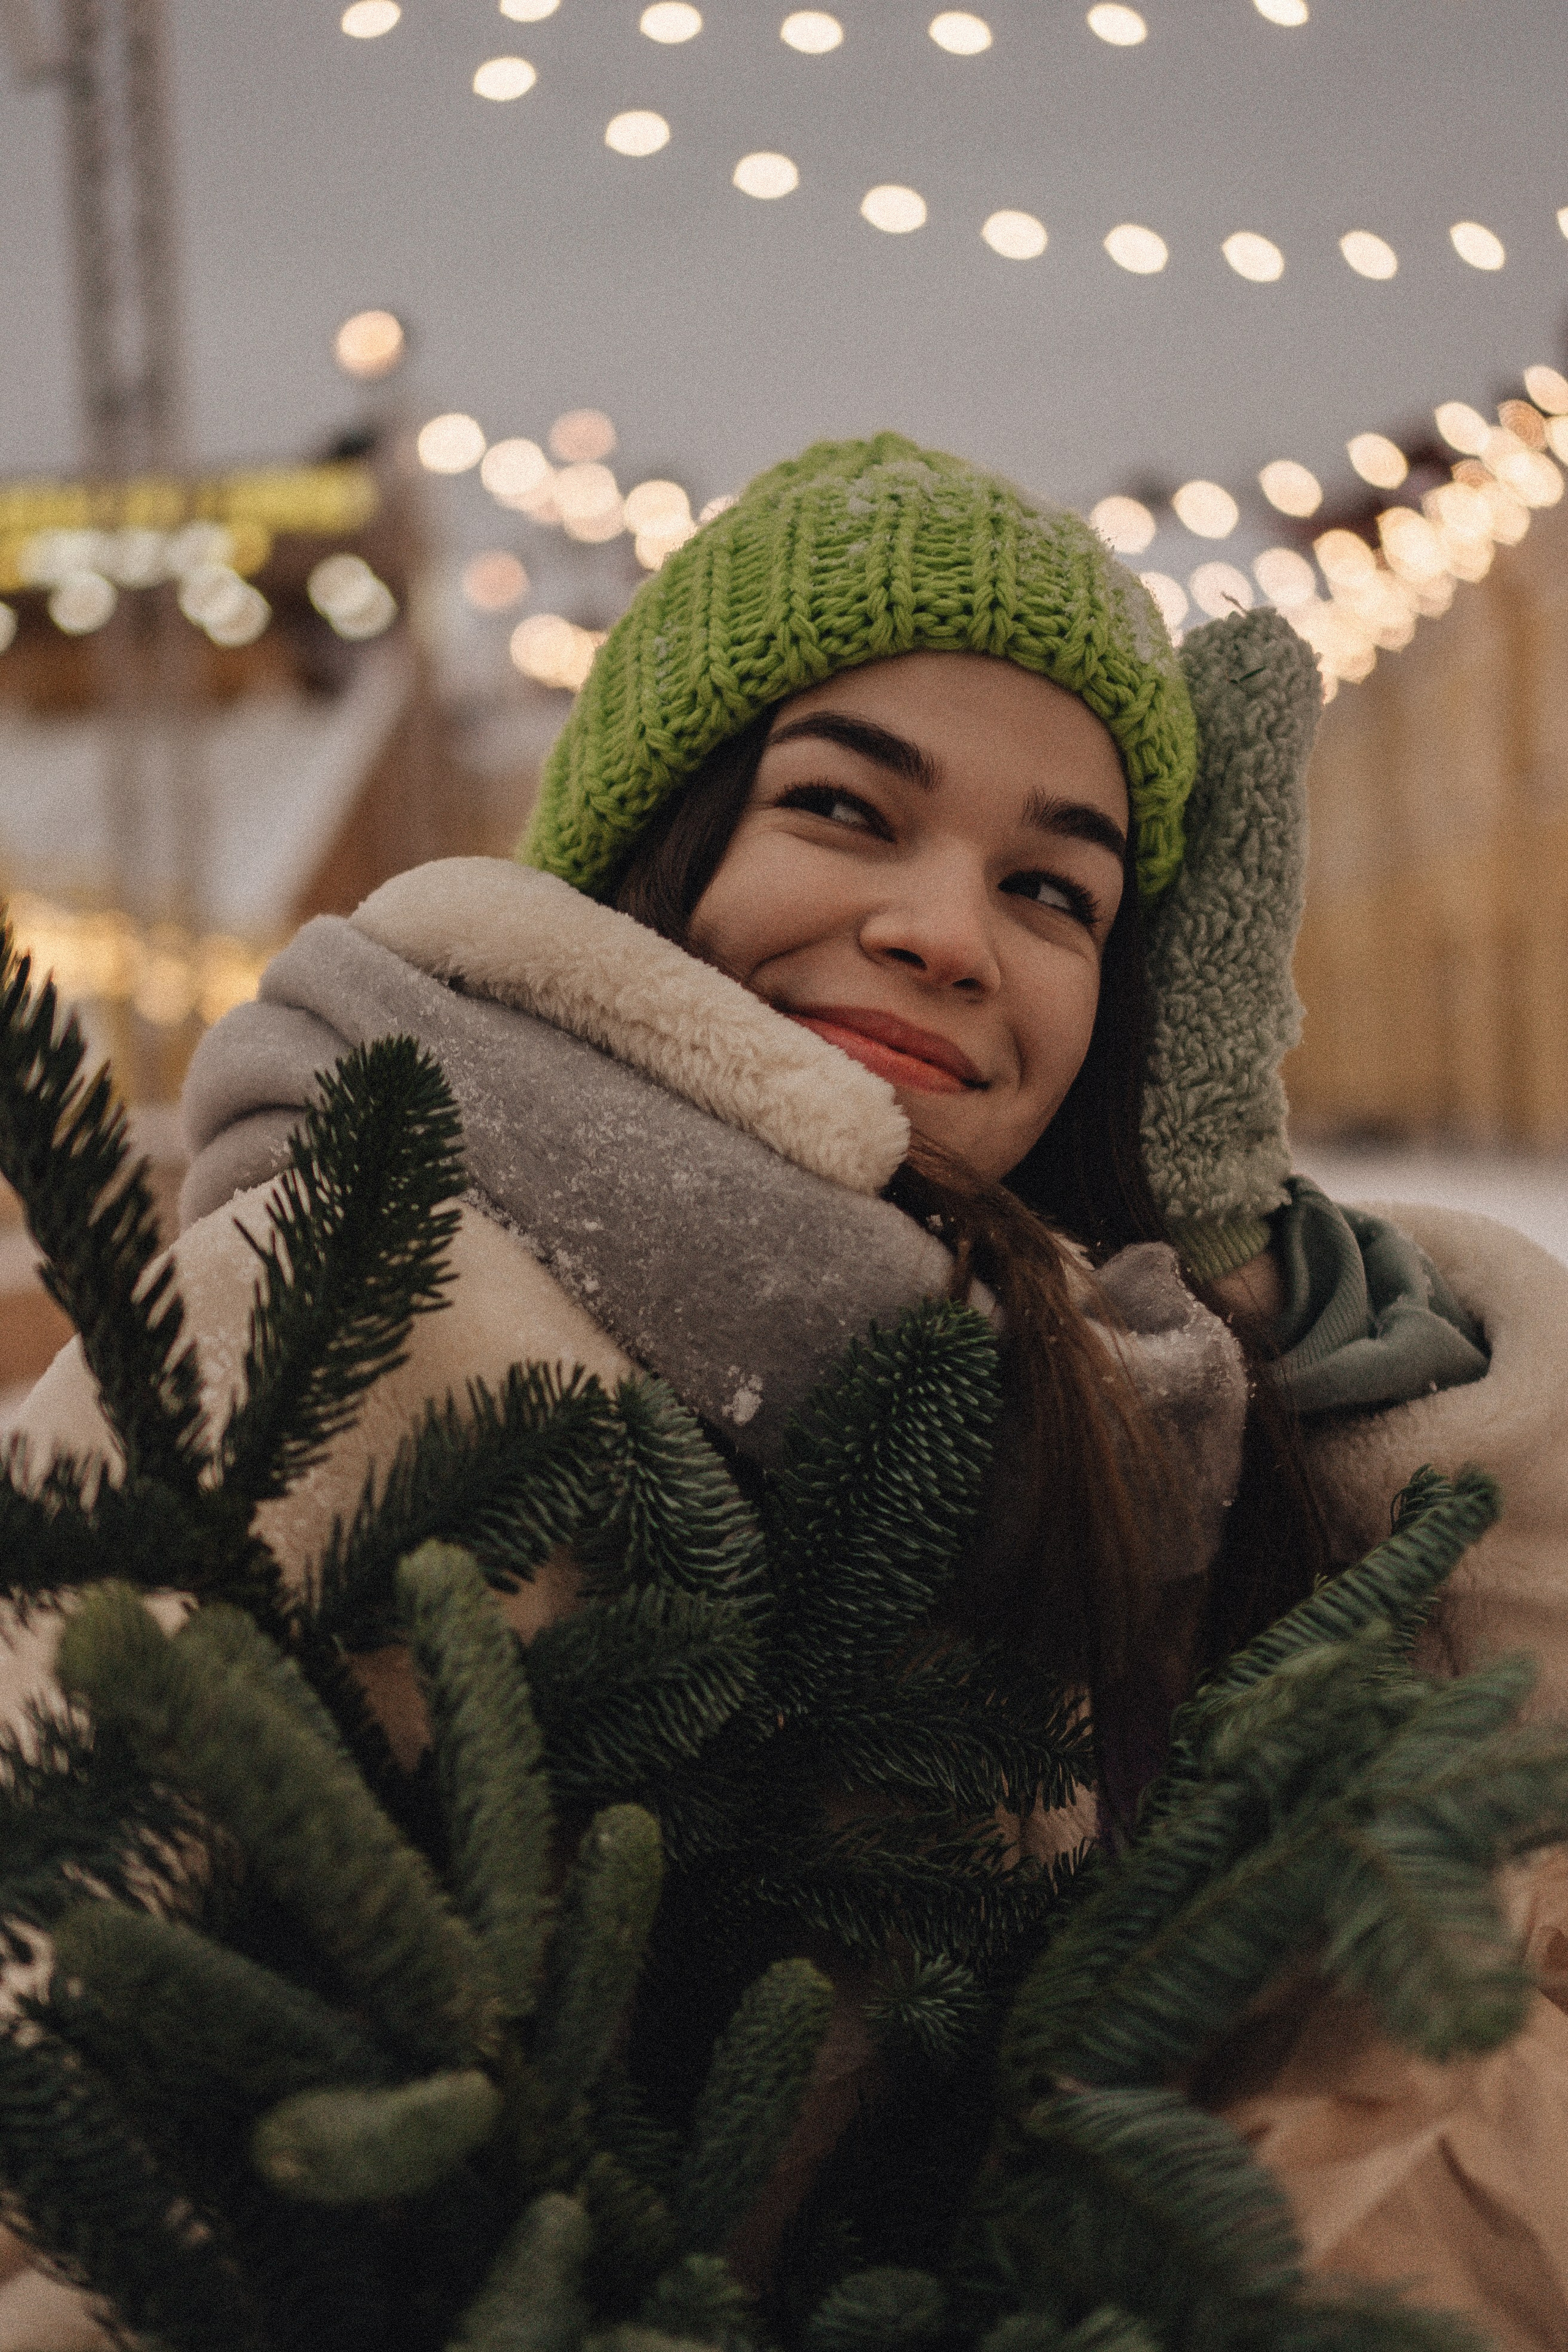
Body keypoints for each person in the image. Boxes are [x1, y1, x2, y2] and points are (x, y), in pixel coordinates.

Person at [6, 434, 1568, 2348]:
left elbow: (1493, 1890)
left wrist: (1235, 1253)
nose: (945, 930)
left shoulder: (1101, 1404)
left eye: (1056, 894)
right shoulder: (348, 1304)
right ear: (660, 841)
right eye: (844, 809)